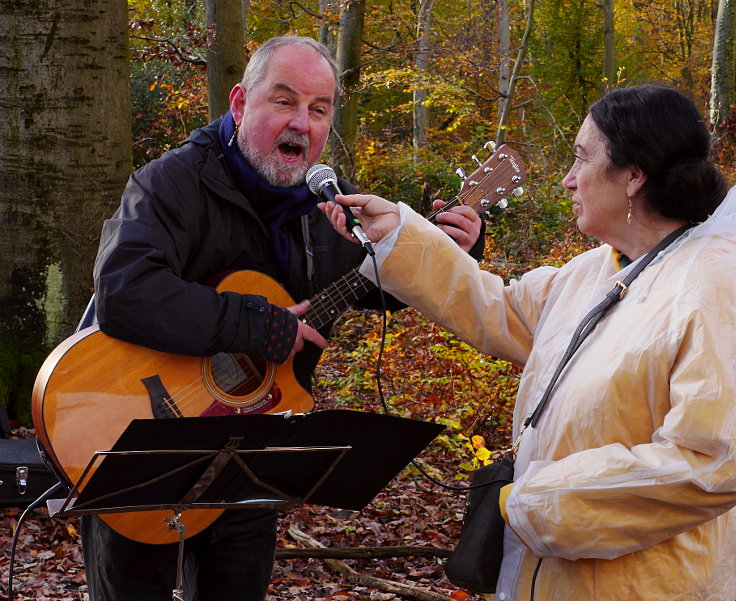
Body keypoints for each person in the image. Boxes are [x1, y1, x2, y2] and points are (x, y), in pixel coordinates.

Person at [86, 35, 484, 601]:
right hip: (144, 434)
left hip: (254, 450)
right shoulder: (171, 182)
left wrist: (446, 250)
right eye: (285, 101)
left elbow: (379, 285)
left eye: (319, 110)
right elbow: (125, 290)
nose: (303, 122)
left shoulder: (328, 201)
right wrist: (259, 325)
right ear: (242, 103)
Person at [322, 84, 736, 599]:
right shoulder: (593, 270)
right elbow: (499, 309)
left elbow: (713, 462)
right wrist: (398, 234)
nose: (567, 180)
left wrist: (538, 502)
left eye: (582, 157)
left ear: (634, 175)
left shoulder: (715, 285)